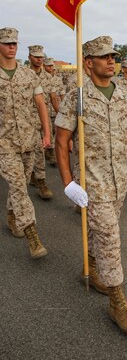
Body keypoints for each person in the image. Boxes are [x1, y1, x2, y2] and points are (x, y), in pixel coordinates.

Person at [55, 36, 127, 335]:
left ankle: (92, 264)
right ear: (88, 63)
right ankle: (117, 301)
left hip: (120, 181)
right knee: (111, 240)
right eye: (103, 57)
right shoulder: (77, 97)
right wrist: (67, 184)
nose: (111, 61)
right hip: (93, 184)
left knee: (101, 232)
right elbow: (62, 143)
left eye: (113, 56)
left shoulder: (126, 94)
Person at [0, 27, 50, 258]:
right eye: (7, 43)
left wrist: (47, 134)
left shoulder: (28, 75)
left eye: (14, 43)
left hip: (30, 140)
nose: (12, 47)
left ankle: (12, 217)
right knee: (20, 186)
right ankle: (33, 237)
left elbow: (41, 105)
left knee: (19, 184)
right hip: (4, 144)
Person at [28, 45, 59, 199]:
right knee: (26, 153)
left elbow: (53, 97)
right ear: (29, 57)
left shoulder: (48, 78)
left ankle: (41, 182)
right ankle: (32, 175)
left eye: (41, 57)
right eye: (36, 56)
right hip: (25, 121)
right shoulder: (24, 75)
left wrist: (61, 114)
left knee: (40, 151)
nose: (39, 59)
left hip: (43, 119)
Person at [43, 57, 66, 166]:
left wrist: (63, 108)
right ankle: (50, 155)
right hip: (46, 110)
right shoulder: (41, 78)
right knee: (47, 133)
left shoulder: (57, 79)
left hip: (56, 109)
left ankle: (52, 153)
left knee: (56, 133)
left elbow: (61, 93)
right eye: (48, 65)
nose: (50, 67)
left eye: (52, 65)